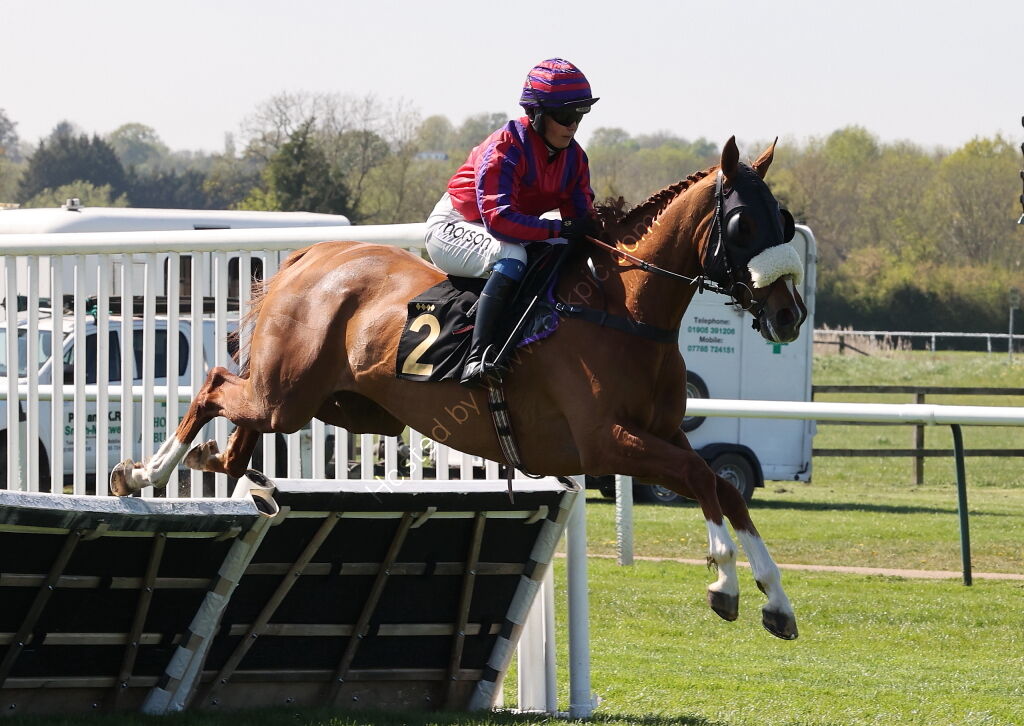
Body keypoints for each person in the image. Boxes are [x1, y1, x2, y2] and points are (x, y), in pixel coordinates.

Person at [424, 58, 600, 386]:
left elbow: (581, 220)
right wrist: (560, 228)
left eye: (580, 115)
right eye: (565, 116)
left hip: (506, 228)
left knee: (561, 251)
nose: (573, 125)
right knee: (514, 255)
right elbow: (499, 220)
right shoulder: (505, 147)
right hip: (455, 225)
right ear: (536, 114)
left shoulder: (575, 158)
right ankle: (478, 358)